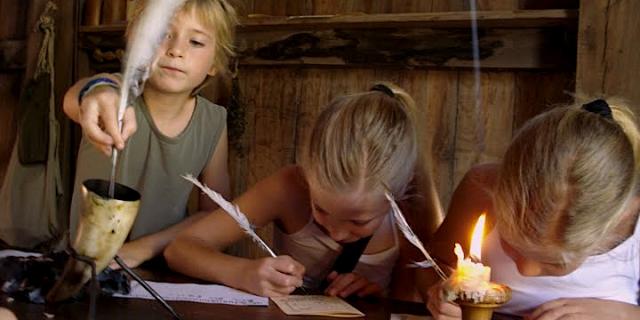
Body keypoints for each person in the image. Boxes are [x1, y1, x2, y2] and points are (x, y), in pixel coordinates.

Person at [165, 83, 443, 298]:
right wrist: (242, 272)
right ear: (307, 173)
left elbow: (417, 297)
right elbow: (181, 249)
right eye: (321, 209)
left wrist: (376, 297)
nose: (337, 232)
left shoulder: (412, 208)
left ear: (397, 195)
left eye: (359, 222)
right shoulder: (289, 186)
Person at [420, 99, 640, 320]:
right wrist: (440, 294)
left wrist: (625, 314)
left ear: (614, 219)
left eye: (554, 263)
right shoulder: (482, 189)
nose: (526, 270)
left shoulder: (634, 224)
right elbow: (428, 266)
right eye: (512, 244)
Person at [62, 0, 238, 268]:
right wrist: (96, 92)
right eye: (162, 34)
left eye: (196, 42)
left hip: (162, 270)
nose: (176, 50)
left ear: (215, 62)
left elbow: (214, 213)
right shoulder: (114, 98)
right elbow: (79, 96)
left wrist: (140, 250)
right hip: (84, 266)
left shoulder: (213, 121)